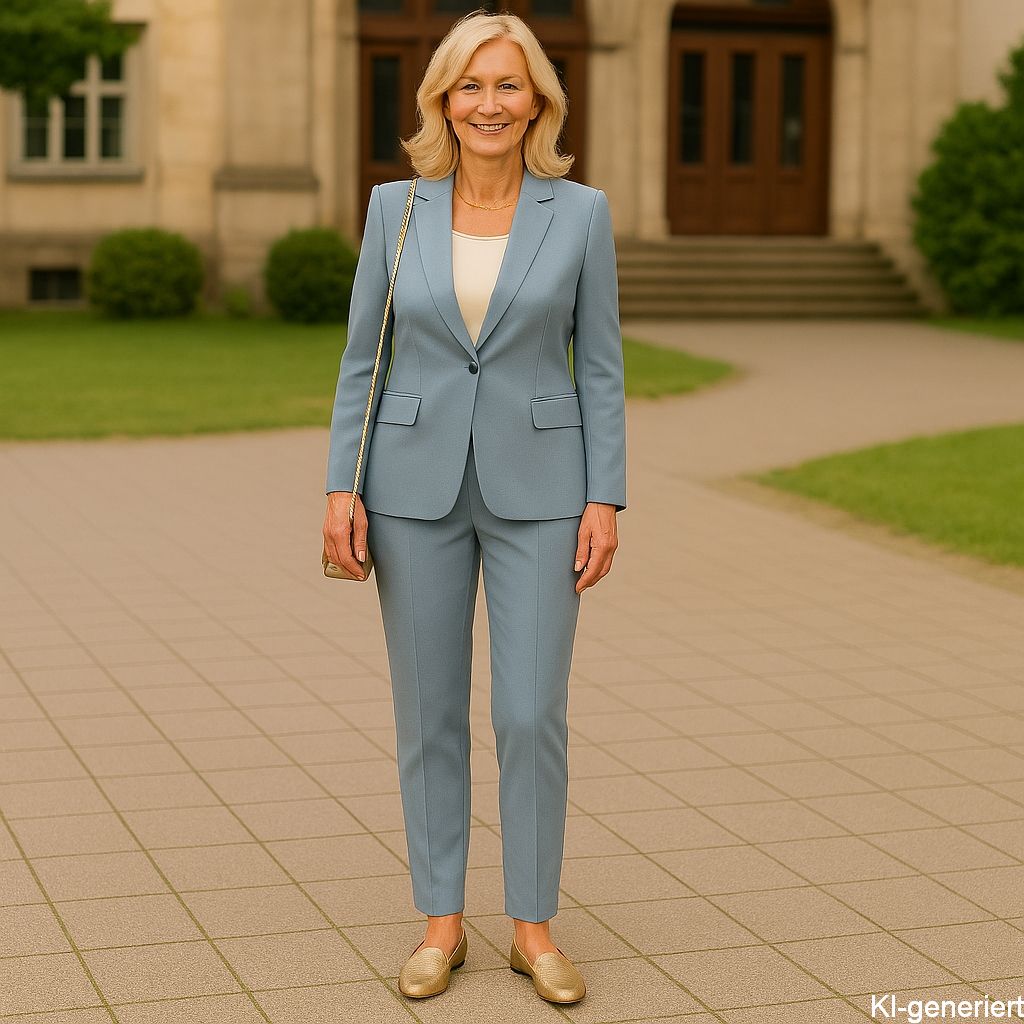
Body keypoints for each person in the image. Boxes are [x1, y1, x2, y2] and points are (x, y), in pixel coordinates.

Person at [322, 8, 626, 1006]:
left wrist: (604, 496)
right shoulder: (392, 210)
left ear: (538, 98)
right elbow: (363, 361)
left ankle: (531, 927)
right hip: (409, 489)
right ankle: (441, 923)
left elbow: (602, 372)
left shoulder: (578, 214)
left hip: (543, 490)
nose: (488, 103)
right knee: (429, 712)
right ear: (441, 102)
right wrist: (339, 486)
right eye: (469, 86)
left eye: (507, 85)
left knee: (532, 710)